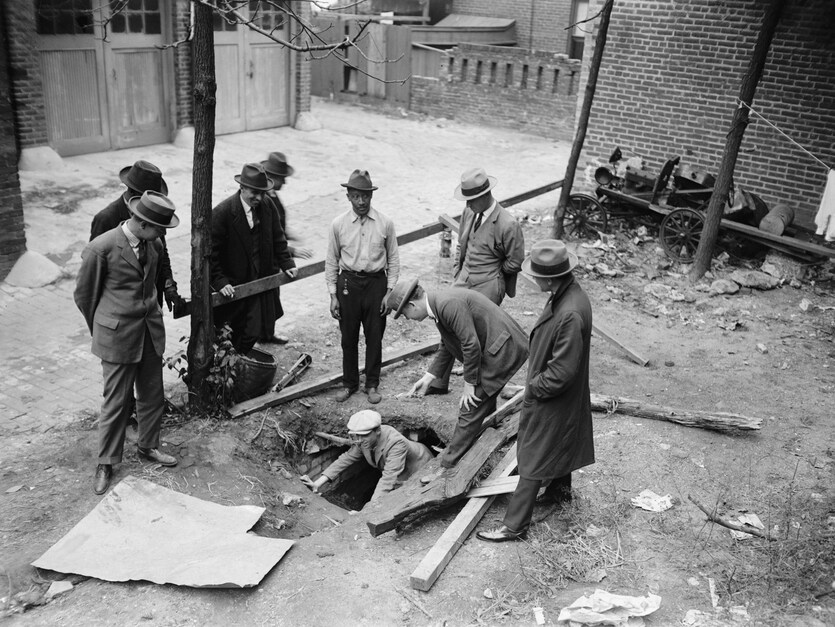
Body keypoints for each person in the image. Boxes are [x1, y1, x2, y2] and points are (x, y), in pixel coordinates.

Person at [477, 240, 594, 542]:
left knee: (532, 454)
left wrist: (535, 387)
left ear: (552, 278)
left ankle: (514, 526)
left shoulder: (569, 312)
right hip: (562, 397)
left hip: (553, 396)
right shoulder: (567, 293)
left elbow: (562, 372)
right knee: (560, 441)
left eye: (537, 276)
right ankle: (560, 492)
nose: (533, 280)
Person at [74, 191, 181, 495]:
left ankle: (148, 446)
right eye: (160, 228)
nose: (163, 234)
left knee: (152, 394)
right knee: (116, 402)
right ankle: (106, 462)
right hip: (117, 337)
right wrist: (105, 329)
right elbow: (84, 296)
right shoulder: (101, 248)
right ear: (143, 224)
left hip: (148, 332)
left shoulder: (154, 243)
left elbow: (152, 284)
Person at [386, 278, 528, 483]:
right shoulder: (438, 304)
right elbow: (448, 344)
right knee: (482, 399)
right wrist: (429, 376)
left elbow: (470, 344)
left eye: (404, 314)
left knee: (469, 407)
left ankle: (447, 467)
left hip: (501, 348)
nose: (407, 318)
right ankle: (485, 433)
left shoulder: (446, 304)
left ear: (412, 305)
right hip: (494, 345)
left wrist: (470, 384)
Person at [325, 169, 400, 405]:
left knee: (374, 335)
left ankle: (372, 384)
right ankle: (349, 383)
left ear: (371, 196)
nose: (361, 202)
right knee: (348, 337)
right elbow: (331, 260)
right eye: (356, 196)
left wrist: (389, 293)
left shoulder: (385, 223)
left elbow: (394, 260)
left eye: (365, 196)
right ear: (348, 196)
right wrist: (332, 295)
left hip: (376, 283)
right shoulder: (338, 224)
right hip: (347, 283)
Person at [210, 163, 298, 354]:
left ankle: (241, 363)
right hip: (234, 288)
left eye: (262, 193)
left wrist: (287, 262)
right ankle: (233, 370)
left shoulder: (267, 206)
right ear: (241, 188)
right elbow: (210, 254)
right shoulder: (222, 213)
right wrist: (219, 281)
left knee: (254, 330)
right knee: (231, 333)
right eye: (254, 192)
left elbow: (277, 236)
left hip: (259, 284)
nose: (258, 198)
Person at [90, 160, 183, 312]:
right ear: (133, 193)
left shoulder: (155, 213)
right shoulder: (106, 219)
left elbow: (161, 253)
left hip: (150, 313)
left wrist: (168, 284)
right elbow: (93, 277)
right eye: (149, 198)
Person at [300, 410, 433, 504]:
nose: (358, 440)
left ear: (378, 431)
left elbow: (388, 479)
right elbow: (346, 458)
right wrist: (317, 483)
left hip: (419, 467)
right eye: (355, 435)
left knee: (405, 497)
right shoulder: (362, 439)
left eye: (364, 435)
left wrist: (368, 511)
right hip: (397, 470)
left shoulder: (396, 443)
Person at [452, 167, 524, 306]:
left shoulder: (508, 224)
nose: (468, 204)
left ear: (486, 195)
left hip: (488, 287)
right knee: (448, 315)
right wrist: (457, 272)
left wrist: (495, 273)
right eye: (466, 200)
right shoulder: (468, 212)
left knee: (479, 324)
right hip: (463, 279)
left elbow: (515, 262)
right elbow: (461, 243)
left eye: (472, 200)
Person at [261, 151, 314, 261]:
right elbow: (264, 240)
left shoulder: (272, 194)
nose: (285, 183)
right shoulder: (261, 201)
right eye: (281, 179)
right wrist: (292, 251)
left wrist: (288, 233)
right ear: (270, 177)